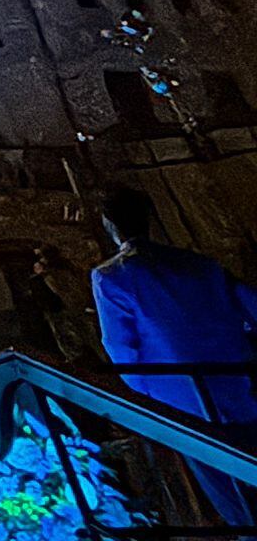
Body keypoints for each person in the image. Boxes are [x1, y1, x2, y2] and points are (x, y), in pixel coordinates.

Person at [92, 186, 257, 528]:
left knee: (230, 491)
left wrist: (143, 399)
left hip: (182, 398)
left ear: (110, 225)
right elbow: (248, 302)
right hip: (238, 381)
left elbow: (121, 346)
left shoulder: (112, 277)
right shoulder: (198, 263)